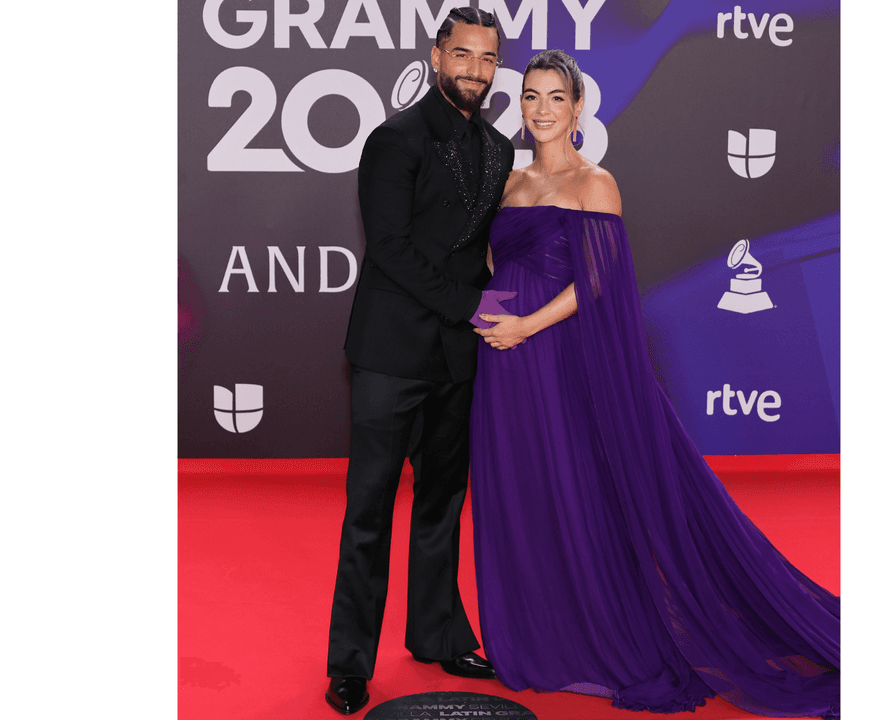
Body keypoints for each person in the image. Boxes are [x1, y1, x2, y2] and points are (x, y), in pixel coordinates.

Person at [469, 50, 841, 719]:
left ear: (579, 107)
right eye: (531, 97)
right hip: (506, 361)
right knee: (522, 485)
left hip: (557, 355)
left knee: (576, 483)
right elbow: (501, 258)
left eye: (557, 97)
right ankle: (541, 635)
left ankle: (601, 629)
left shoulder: (595, 183)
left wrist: (525, 325)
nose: (543, 110)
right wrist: (495, 319)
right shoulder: (514, 183)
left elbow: (599, 279)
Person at [325, 7, 519, 716]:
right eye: (462, 54)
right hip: (389, 354)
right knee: (369, 510)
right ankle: (349, 663)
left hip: (458, 360)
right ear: (436, 56)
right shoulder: (394, 139)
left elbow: (491, 248)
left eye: (487, 57)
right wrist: (470, 308)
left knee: (443, 503)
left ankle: (437, 634)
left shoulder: (499, 148)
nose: (474, 68)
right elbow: (391, 248)